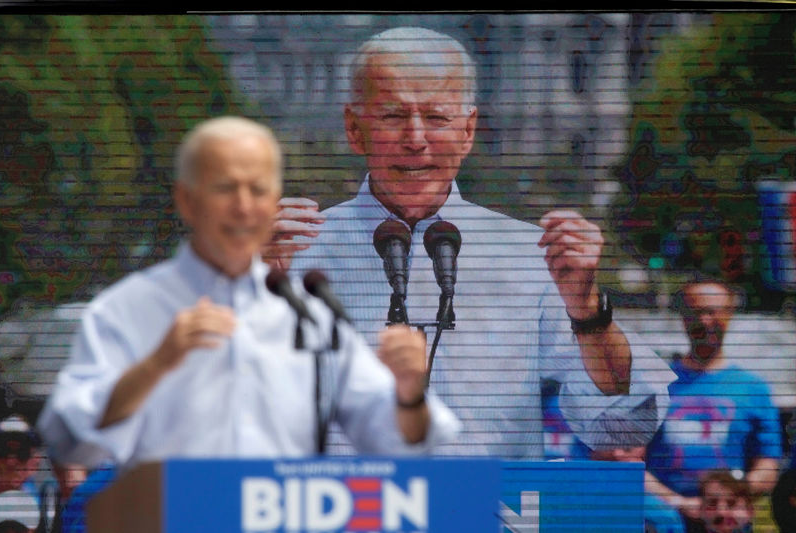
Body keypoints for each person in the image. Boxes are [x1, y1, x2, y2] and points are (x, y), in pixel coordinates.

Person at [280, 26, 676, 459]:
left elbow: (621, 427)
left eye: (437, 118)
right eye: (393, 117)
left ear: (468, 131)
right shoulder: (293, 251)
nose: (416, 140)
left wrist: (588, 312)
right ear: (354, 129)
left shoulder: (531, 255)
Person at [36, 116, 460, 471]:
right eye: (225, 188)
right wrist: (157, 365)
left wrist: (408, 394)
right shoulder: (130, 308)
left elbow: (403, 444)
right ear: (187, 200)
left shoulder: (308, 314)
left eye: (257, 190)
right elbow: (72, 441)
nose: (243, 206)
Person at [643, 280, 782, 527]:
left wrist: (730, 496)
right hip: (665, 521)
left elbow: (768, 463)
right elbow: (630, 461)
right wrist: (677, 502)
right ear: (683, 317)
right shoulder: (654, 385)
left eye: (714, 312)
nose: (705, 320)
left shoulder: (753, 389)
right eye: (696, 312)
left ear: (729, 315)